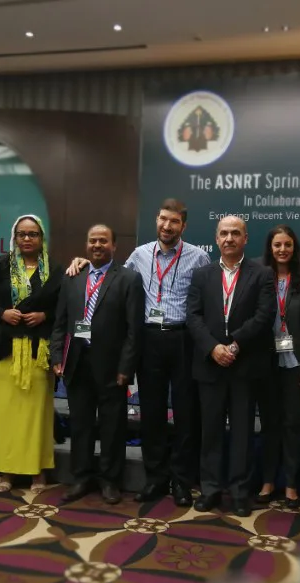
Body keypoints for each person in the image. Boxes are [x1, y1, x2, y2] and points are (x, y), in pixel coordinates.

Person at [66, 199, 210, 507]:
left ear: (183, 226)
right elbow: (109, 277)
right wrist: (83, 262)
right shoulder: (139, 255)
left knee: (185, 413)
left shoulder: (199, 257)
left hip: (183, 339)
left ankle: (182, 481)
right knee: (152, 413)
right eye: (163, 219)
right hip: (148, 340)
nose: (167, 226)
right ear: (156, 220)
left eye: (174, 221)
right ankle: (155, 478)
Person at [186, 216, 275, 517]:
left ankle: (239, 492)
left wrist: (234, 345)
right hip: (210, 366)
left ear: (245, 238)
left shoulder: (262, 274)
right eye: (223, 233)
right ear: (216, 238)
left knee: (242, 433)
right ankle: (210, 489)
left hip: (244, 366)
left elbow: (264, 316)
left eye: (235, 233)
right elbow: (193, 316)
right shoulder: (202, 274)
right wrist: (213, 348)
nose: (229, 238)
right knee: (210, 431)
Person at [51, 225, 144, 505]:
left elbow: (134, 330)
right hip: (77, 363)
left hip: (112, 367)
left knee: (112, 427)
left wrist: (126, 368)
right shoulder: (73, 277)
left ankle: (110, 480)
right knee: (80, 424)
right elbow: (60, 322)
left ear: (114, 246)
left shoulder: (128, 279)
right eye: (93, 240)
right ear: (86, 245)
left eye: (103, 241)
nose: (97, 245)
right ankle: (81, 477)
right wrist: (57, 357)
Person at [0, 215, 62, 493]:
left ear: (42, 238)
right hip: (0, 353)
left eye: (33, 234)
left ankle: (37, 472)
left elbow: (67, 308)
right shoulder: (0, 267)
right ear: (15, 237)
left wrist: (45, 315)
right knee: (4, 415)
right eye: (22, 234)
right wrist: (1, 313)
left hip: (36, 354)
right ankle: (5, 472)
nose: (27, 239)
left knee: (34, 417)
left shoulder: (56, 270)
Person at [255, 225, 300, 509]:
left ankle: (291, 484)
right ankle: (268, 480)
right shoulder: (260, 277)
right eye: (277, 245)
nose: (282, 250)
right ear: (270, 248)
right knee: (269, 424)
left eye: (287, 245)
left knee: (292, 424)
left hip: (297, 364)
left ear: (294, 248)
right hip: (266, 364)